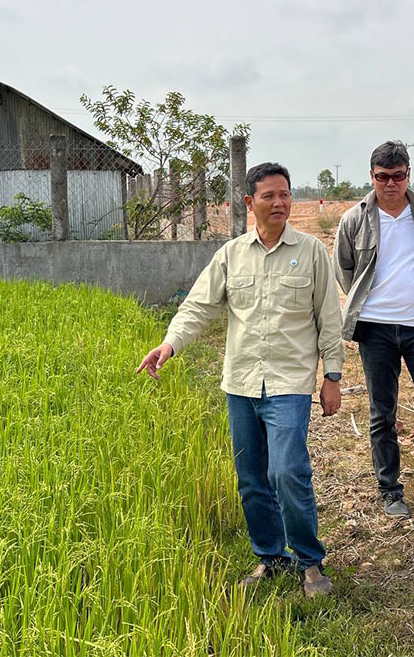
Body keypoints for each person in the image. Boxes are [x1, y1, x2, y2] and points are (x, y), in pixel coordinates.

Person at [137, 162, 344, 597]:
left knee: (288, 471)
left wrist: (332, 375)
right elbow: (197, 307)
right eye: (269, 196)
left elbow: (329, 317)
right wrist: (169, 344)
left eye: (285, 194)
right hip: (242, 383)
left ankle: (310, 562)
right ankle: (269, 557)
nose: (279, 203)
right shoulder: (230, 254)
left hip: (289, 382)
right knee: (251, 478)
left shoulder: (310, 252)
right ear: (249, 203)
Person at [333, 140, 414, 518]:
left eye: (398, 176)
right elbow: (344, 269)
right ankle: (390, 491)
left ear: (409, 174)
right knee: (382, 412)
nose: (390, 184)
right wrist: (367, 301)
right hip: (375, 330)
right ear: (371, 176)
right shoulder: (353, 219)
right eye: (382, 177)